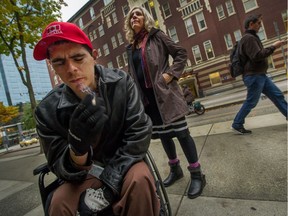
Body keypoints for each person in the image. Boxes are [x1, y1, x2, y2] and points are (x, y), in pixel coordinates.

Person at [33, 21, 160, 216]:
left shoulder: (121, 82)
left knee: (140, 179)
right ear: (53, 67)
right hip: (84, 175)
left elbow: (140, 130)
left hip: (124, 163)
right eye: (59, 62)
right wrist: (77, 147)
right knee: (58, 203)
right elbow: (58, 163)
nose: (71, 68)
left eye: (78, 58)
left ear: (93, 57)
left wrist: (110, 184)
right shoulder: (46, 111)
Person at [124, 6, 206, 199]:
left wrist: (169, 75)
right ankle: (175, 169)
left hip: (166, 95)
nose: (134, 16)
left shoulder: (157, 36)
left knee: (182, 134)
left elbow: (181, 53)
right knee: (163, 136)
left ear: (146, 18)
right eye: (131, 15)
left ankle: (197, 174)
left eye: (138, 13)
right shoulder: (131, 47)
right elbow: (133, 73)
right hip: (148, 101)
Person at [232, 14, 287, 134]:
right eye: (258, 24)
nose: (260, 26)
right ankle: (237, 123)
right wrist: (274, 47)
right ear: (251, 24)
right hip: (254, 76)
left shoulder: (251, 38)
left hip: (259, 75)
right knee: (251, 101)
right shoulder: (249, 38)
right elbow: (257, 56)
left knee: (277, 95)